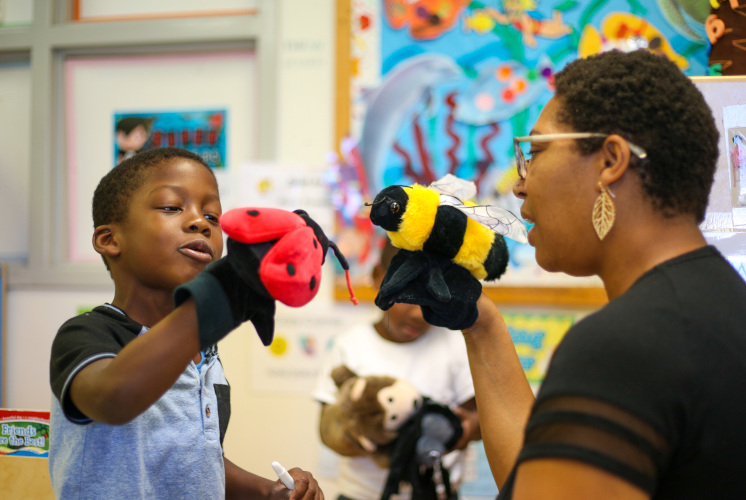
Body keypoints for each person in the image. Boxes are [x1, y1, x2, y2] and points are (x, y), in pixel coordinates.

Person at [457, 49, 746, 499]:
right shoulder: (723, 307)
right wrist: (481, 324)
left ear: (611, 160)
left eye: (535, 151)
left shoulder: (626, 346)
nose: (519, 183)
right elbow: (548, 475)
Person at [49, 147, 324, 499]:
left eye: (212, 215)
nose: (200, 222)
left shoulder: (205, 354)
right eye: (171, 207)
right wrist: (217, 301)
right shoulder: (86, 334)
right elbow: (113, 399)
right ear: (110, 240)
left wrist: (268, 491)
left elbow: (197, 459)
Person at [312, 238, 482, 500]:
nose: (418, 314)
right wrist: (381, 436)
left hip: (437, 493)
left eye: (432, 301)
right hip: (362, 495)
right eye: (409, 297)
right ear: (378, 277)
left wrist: (453, 432)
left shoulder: (453, 345)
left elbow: (479, 421)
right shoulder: (349, 346)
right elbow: (329, 432)